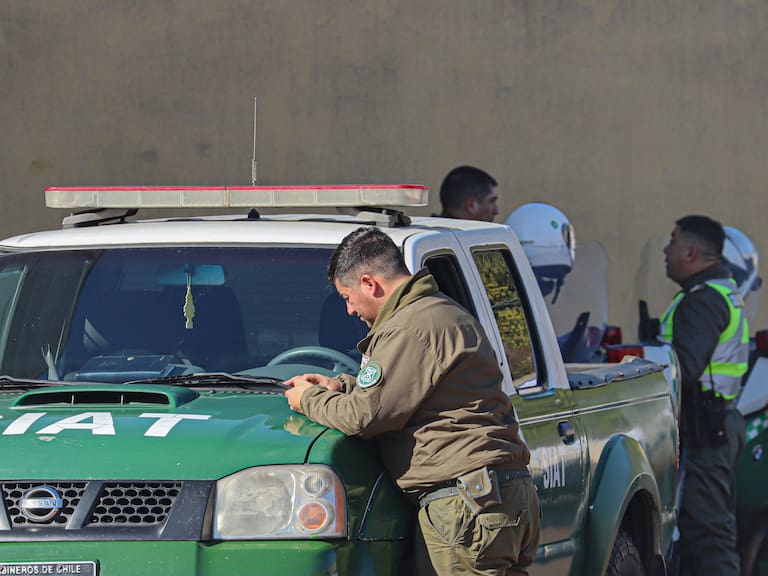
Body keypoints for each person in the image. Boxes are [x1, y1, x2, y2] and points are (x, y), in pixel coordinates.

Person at [284, 226, 541, 575]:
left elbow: (365, 416)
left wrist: (308, 399)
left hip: (467, 505)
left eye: (346, 297)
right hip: (500, 495)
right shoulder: (438, 313)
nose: (348, 310)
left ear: (369, 283)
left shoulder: (410, 327)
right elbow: (411, 389)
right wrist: (340, 385)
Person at [659, 215, 748, 575]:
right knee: (701, 535)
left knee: (709, 535)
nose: (666, 250)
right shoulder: (719, 291)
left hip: (704, 430)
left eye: (673, 241)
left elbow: (684, 368)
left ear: (691, 252)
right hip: (716, 424)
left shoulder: (703, 300)